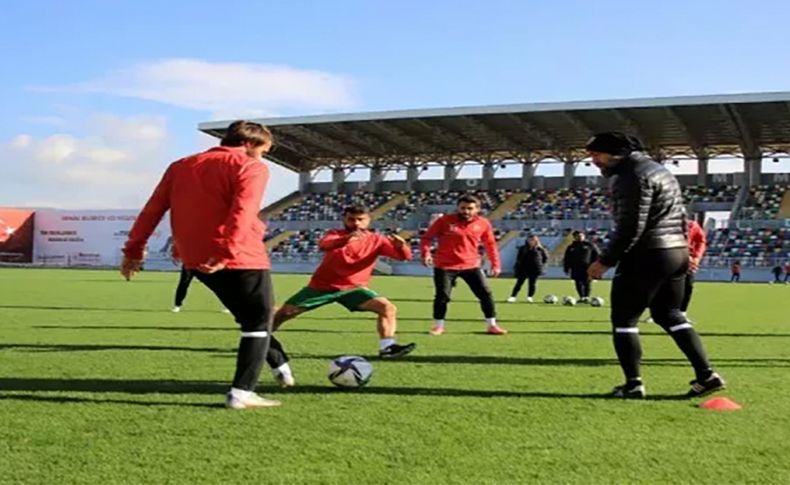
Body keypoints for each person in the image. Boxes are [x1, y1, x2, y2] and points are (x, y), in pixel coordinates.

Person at [121, 120, 283, 410]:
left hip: (193, 258)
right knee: (259, 319)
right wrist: (227, 250)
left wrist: (134, 249)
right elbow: (243, 211)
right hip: (238, 255)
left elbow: (153, 209)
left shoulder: (181, 165)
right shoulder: (251, 166)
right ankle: (242, 392)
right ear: (249, 144)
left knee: (250, 316)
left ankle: (281, 365)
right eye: (264, 150)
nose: (263, 157)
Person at [585, 131, 725, 399]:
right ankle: (707, 375)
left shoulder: (629, 175)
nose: (594, 161)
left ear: (616, 153)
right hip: (675, 251)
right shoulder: (659, 170)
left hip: (647, 254)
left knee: (624, 320)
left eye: (596, 154)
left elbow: (630, 226)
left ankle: (633, 385)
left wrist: (605, 260)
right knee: (670, 315)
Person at [273, 205, 416, 366]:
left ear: (368, 221)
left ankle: (387, 347)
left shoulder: (377, 240)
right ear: (344, 220)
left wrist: (401, 246)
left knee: (387, 308)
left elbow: (404, 257)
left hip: (353, 289)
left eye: (360, 220)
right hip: (322, 287)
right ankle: (261, 338)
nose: (356, 223)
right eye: (351, 219)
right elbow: (325, 245)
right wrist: (345, 240)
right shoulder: (335, 234)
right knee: (284, 313)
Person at [420, 194, 506, 335]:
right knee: (443, 296)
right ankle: (438, 326)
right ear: (458, 208)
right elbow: (427, 238)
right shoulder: (445, 221)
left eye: (470, 208)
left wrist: (496, 264)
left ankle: (492, 325)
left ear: (477, 209)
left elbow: (490, 245)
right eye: (462, 208)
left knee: (485, 294)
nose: (466, 211)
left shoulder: (483, 223)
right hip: (445, 265)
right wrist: (426, 253)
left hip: (471, 265)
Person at [507, 234, 548, 303]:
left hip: (535, 269)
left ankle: (530, 297)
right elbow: (519, 258)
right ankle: (513, 296)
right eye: (530, 240)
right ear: (527, 240)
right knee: (519, 283)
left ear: (536, 241)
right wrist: (518, 267)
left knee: (532, 284)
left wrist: (540, 265)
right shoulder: (523, 248)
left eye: (533, 240)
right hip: (524, 268)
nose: (531, 241)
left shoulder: (540, 249)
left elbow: (545, 258)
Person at [680, 218, 707, 322]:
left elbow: (701, 241)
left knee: (688, 286)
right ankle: (658, 312)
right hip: (668, 257)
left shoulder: (692, 225)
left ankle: (683, 313)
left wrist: (696, 257)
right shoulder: (664, 224)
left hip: (688, 261)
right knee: (662, 287)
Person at [563, 230, 599, 303]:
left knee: (587, 282)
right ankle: (581, 297)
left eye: (581, 236)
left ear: (584, 236)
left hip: (587, 267)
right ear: (574, 237)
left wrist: (595, 266)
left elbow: (597, 255)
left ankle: (586, 297)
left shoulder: (590, 245)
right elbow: (567, 258)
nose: (580, 237)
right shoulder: (571, 247)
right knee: (578, 282)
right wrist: (566, 268)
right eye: (577, 236)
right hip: (575, 267)